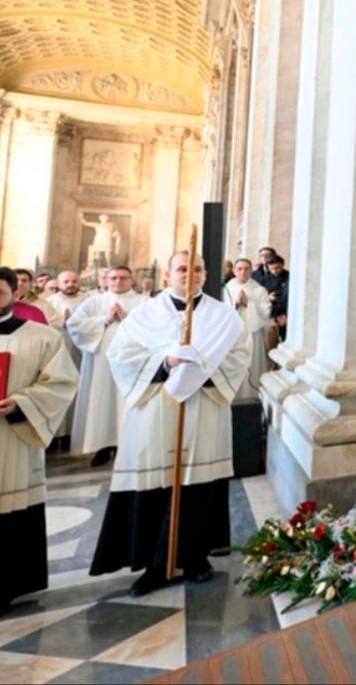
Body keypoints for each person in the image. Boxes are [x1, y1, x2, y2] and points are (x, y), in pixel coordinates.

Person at [89, 251, 250, 596]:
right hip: (155, 408)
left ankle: (194, 557)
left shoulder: (225, 317)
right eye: (181, 268)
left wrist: (202, 370)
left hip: (204, 408)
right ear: (167, 276)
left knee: (198, 483)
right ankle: (153, 563)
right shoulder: (143, 315)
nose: (189, 274)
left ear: (206, 275)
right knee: (157, 481)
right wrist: (165, 362)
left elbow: (240, 356)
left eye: (197, 269)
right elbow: (121, 356)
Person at [0, 266, 80, 615]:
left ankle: (7, 585)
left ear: (15, 294)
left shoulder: (42, 337)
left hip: (14, 436)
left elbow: (61, 382)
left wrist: (22, 403)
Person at [66, 266, 148, 467]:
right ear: (106, 280)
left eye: (123, 278)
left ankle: (127, 446)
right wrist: (106, 319)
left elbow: (155, 328)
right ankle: (102, 447)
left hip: (133, 364)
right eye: (113, 278)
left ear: (132, 280)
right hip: (101, 363)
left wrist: (127, 319)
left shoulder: (144, 302)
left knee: (127, 402)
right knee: (101, 403)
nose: (118, 282)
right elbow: (74, 325)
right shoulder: (95, 302)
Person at [47, 271, 88, 445]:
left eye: (74, 281)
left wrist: (77, 324)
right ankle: (54, 434)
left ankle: (72, 433)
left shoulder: (89, 301)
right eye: (66, 281)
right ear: (58, 283)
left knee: (78, 391)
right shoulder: (49, 303)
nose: (70, 284)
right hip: (56, 354)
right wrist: (62, 323)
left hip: (81, 353)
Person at [222, 258, 272, 402]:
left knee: (253, 366)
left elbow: (266, 312)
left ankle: (252, 396)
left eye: (246, 269)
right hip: (232, 336)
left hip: (253, 334)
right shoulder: (227, 289)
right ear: (234, 271)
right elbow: (221, 311)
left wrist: (249, 304)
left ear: (251, 270)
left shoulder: (259, 290)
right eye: (239, 269)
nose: (243, 272)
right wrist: (235, 304)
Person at [260, 255, 289, 347]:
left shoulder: (290, 277)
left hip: (286, 314)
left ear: (283, 264)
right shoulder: (264, 280)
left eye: (277, 268)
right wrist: (268, 297)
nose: (275, 271)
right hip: (270, 314)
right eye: (272, 269)